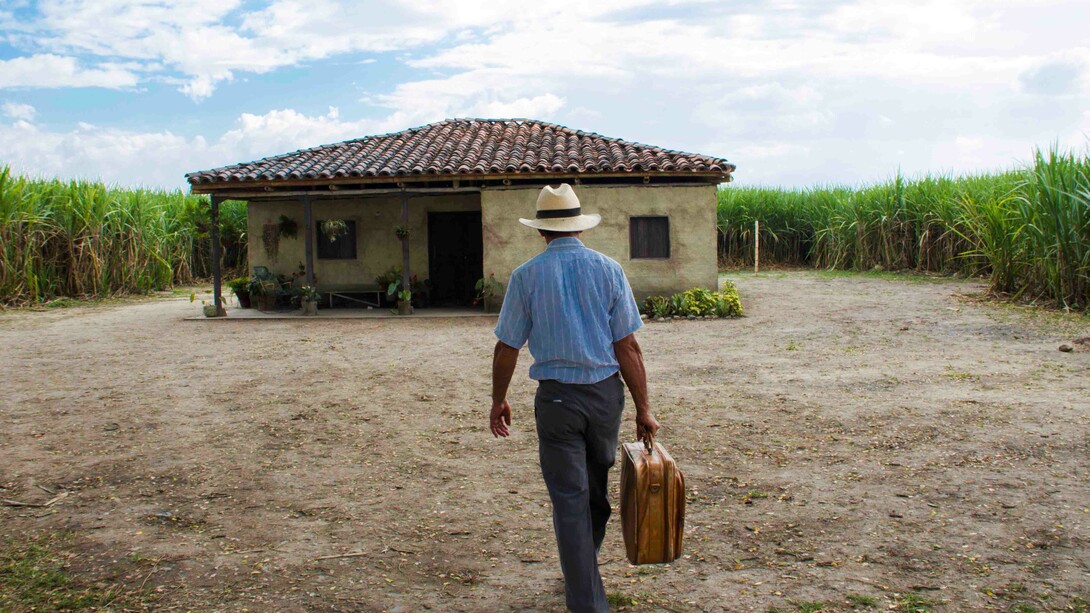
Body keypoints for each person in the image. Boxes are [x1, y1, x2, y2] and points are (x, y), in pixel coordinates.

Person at [489, 183, 660, 613]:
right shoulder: (609, 270)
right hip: (604, 398)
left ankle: (582, 576)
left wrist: (498, 399)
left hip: (556, 402)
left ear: (541, 230)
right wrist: (644, 408)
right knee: (592, 494)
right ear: (579, 227)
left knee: (573, 499)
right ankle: (586, 593)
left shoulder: (526, 276)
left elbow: (507, 346)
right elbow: (628, 346)